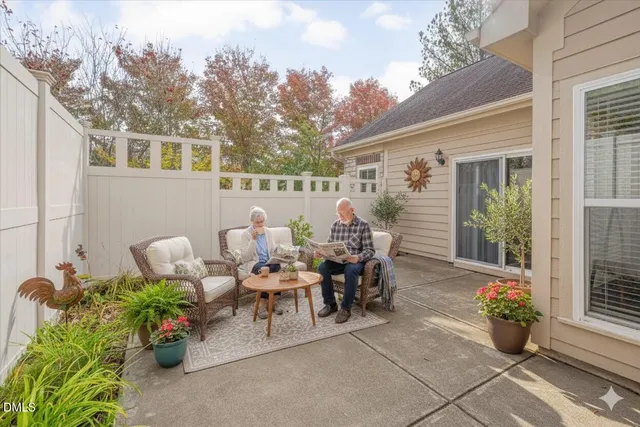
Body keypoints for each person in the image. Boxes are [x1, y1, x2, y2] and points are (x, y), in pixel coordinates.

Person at [314, 198, 375, 323]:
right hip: (338, 261)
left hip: (355, 262)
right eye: (338, 213)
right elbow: (329, 246)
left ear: (352, 210)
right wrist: (321, 253)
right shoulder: (335, 225)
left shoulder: (363, 225)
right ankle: (331, 304)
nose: (340, 216)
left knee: (350, 269)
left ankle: (346, 308)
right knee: (322, 267)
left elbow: (370, 250)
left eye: (343, 212)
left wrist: (357, 257)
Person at [241, 206, 283, 319]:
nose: (260, 225)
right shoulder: (246, 234)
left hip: (269, 261)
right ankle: (262, 303)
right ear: (252, 222)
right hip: (255, 263)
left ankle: (273, 300)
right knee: (265, 269)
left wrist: (281, 252)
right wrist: (253, 240)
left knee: (277, 266)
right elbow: (245, 257)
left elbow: (273, 249)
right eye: (257, 222)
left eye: (262, 222)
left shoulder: (268, 232)